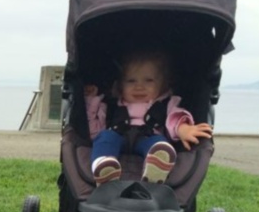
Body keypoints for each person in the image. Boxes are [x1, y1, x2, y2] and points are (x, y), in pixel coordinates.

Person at [85, 50, 213, 185]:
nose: (139, 86)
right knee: (104, 138)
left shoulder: (164, 103)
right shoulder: (112, 105)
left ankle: (156, 167)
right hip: (117, 134)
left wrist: (184, 129)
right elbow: (94, 131)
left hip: (149, 136)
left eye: (149, 80)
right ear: (120, 85)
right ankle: (103, 166)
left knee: (160, 143)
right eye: (131, 81)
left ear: (163, 84)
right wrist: (90, 100)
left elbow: (175, 118)